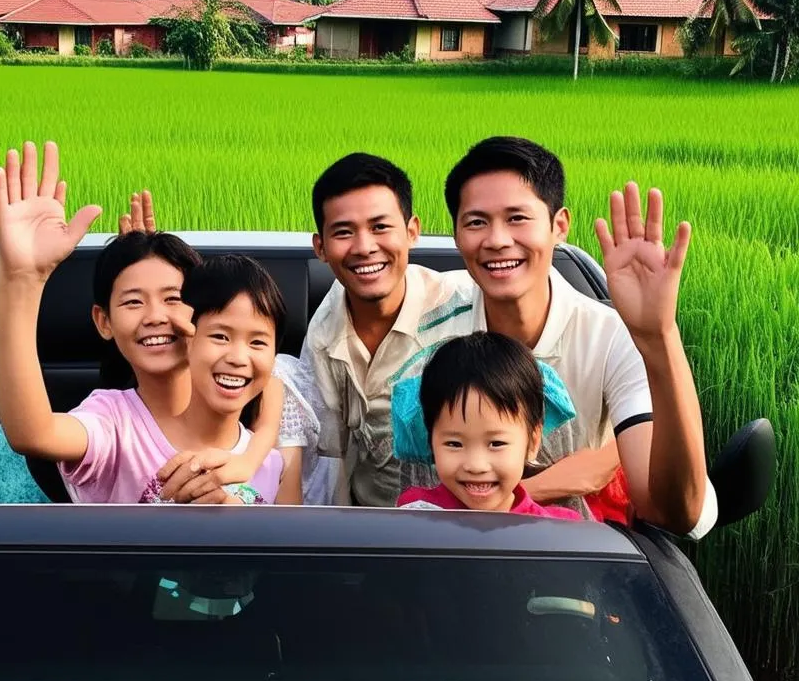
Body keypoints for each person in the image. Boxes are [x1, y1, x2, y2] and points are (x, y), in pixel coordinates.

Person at [439, 137, 714, 537]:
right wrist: (551, 483)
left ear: (559, 225)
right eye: (477, 222)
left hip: (574, 562)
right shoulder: (433, 329)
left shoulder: (612, 337)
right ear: (457, 235)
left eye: (517, 218)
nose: (497, 240)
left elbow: (673, 511)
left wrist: (659, 335)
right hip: (454, 555)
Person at [0, 140, 288, 505]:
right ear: (104, 321)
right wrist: (22, 279)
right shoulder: (113, 425)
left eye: (172, 298)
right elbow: (33, 432)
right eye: (133, 301)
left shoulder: (266, 452)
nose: (156, 316)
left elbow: (270, 384)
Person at [300, 153, 475, 507]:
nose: (365, 248)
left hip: (475, 529)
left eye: (380, 227)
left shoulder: (468, 307)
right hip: (378, 537)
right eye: (344, 232)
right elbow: (328, 461)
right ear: (321, 247)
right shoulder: (323, 337)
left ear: (412, 231)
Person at [396, 332, 583, 521]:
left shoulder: (559, 532)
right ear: (430, 440)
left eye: (496, 443)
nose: (476, 466)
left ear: (533, 442)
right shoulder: (414, 517)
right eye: (454, 444)